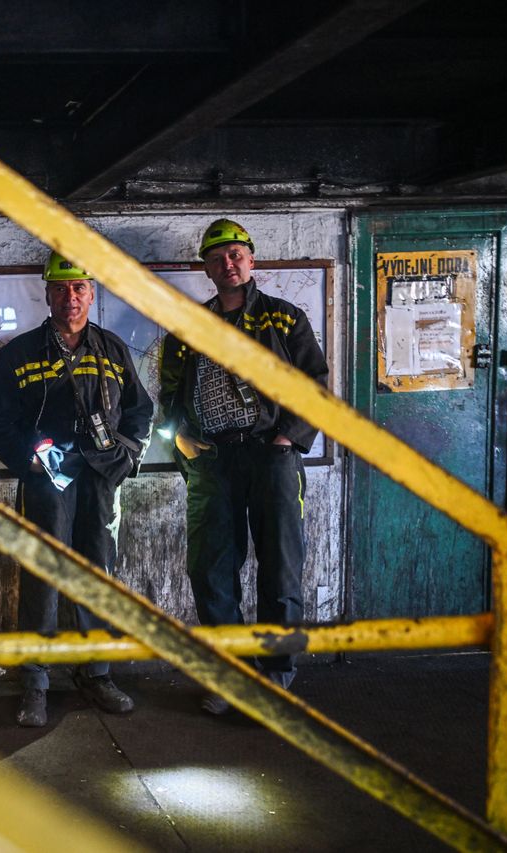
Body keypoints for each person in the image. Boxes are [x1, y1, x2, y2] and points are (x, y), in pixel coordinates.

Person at [158, 218, 327, 715]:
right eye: (217, 258)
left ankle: (274, 679)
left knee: (280, 566)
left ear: (251, 259)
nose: (227, 264)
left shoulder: (284, 318)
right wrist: (181, 437)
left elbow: (315, 384)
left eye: (235, 255)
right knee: (211, 570)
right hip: (212, 460)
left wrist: (286, 437)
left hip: (271, 456)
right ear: (207, 270)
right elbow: (170, 392)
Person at [0, 250, 153, 727]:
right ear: (47, 294)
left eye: (78, 288)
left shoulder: (113, 350)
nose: (69, 297)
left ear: (91, 294)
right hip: (47, 480)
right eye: (60, 288)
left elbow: (140, 411)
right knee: (43, 576)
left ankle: (96, 674)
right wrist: (29, 460)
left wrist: (127, 456)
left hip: (101, 478)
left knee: (98, 575)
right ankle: (35, 683)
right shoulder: (20, 352)